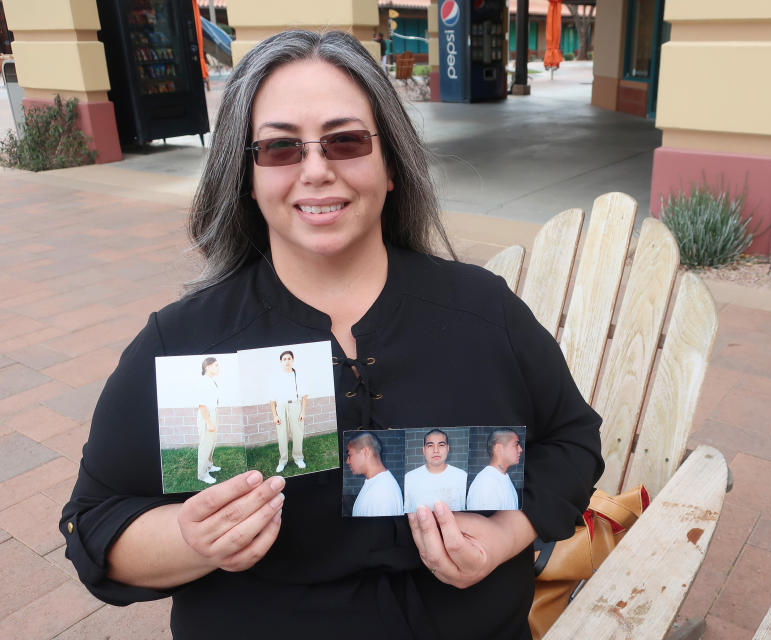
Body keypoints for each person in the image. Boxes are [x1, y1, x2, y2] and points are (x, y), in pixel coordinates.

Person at [60, 30, 602, 639]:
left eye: (345, 142)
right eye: (280, 148)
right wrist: (192, 539)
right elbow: (95, 522)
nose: (316, 170)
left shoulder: (484, 312)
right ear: (245, 174)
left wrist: (507, 534)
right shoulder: (185, 344)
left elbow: (573, 439)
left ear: (391, 164)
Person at [404, 429, 467, 512]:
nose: (436, 450)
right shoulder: (410, 478)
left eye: (441, 445)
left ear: (448, 448)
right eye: (430, 445)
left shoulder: (462, 476)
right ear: (424, 450)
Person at [346, 432, 403, 516]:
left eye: (350, 455)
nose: (347, 461)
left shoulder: (382, 493)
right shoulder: (376, 483)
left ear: (365, 452)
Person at [270, 349, 308, 472]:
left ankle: (298, 458)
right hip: (280, 407)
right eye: (284, 359)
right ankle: (283, 461)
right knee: (282, 435)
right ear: (281, 362)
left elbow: (304, 396)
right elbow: (272, 400)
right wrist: (275, 415)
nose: (287, 361)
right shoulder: (276, 378)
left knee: (297, 433)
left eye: (289, 358)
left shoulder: (298, 376)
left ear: (293, 360)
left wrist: (302, 412)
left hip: (295, 406)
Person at [466, 428, 522, 510]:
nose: (520, 449)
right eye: (516, 444)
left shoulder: (503, 478)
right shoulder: (486, 483)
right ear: (498, 448)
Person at [196, 357, 221, 484]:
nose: (218, 367)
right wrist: (209, 422)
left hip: (213, 413)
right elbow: (202, 405)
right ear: (208, 367)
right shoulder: (203, 382)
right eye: (216, 365)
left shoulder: (211, 381)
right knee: (205, 444)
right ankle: (202, 474)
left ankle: (209, 466)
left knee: (211, 443)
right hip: (206, 414)